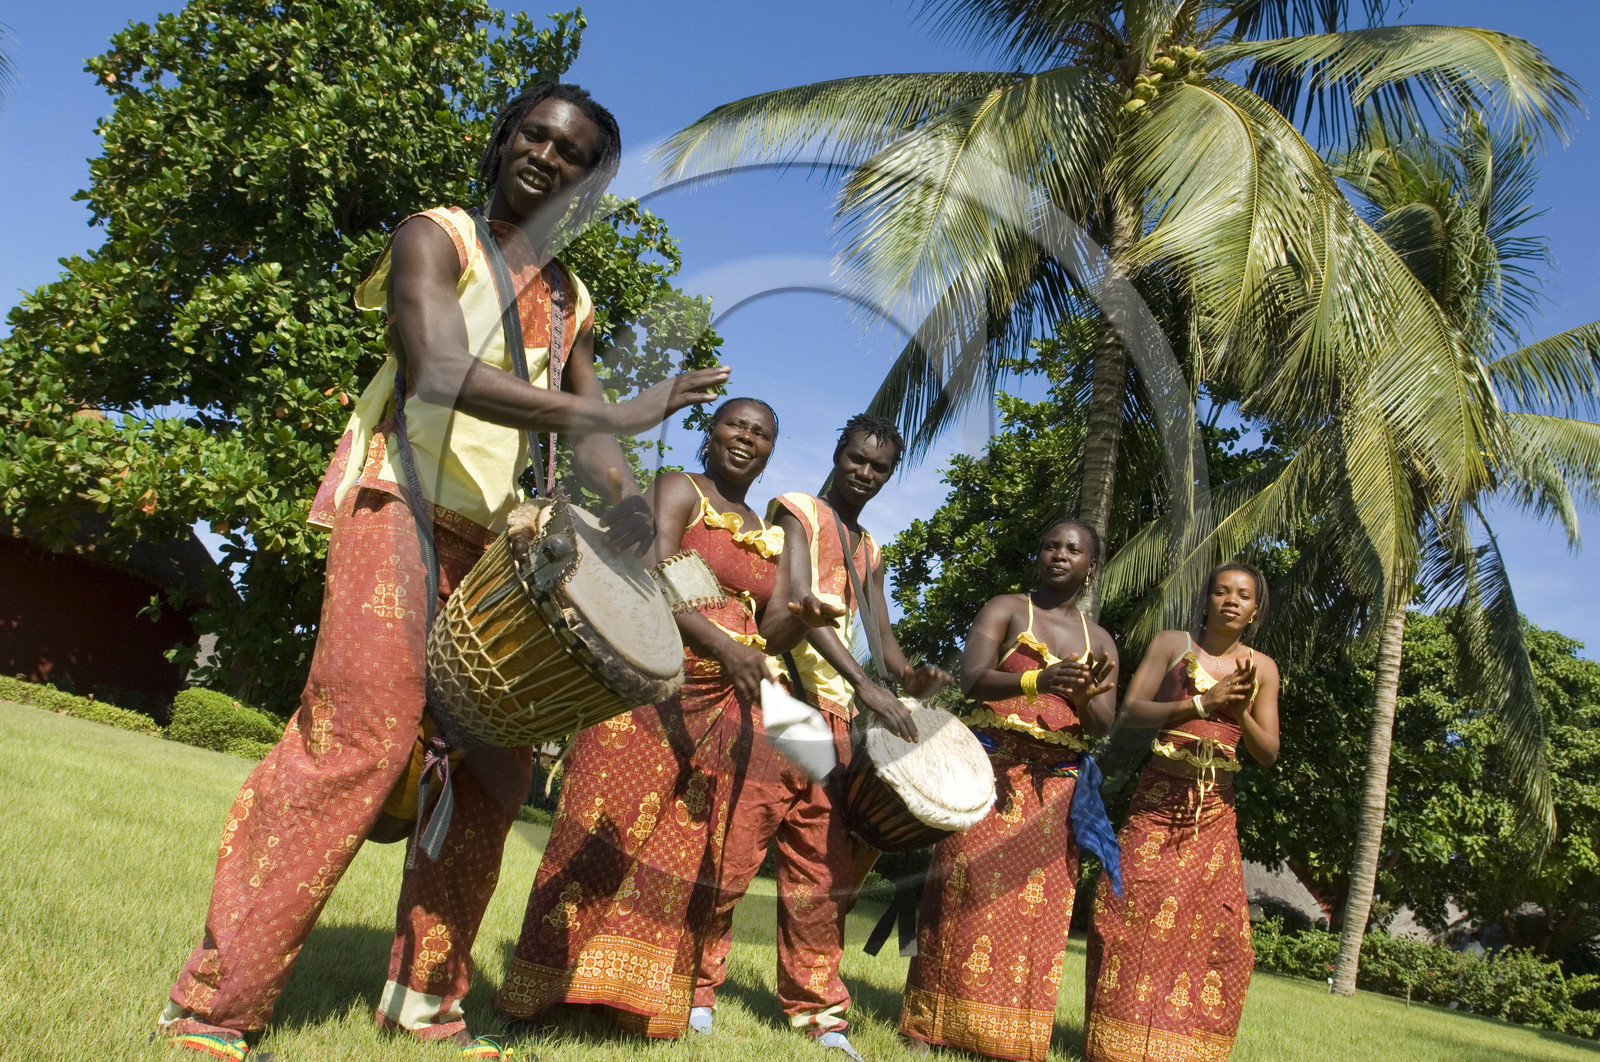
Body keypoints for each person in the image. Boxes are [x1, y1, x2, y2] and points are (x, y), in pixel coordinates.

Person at [158, 81, 728, 1062]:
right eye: (535, 137)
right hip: (400, 506)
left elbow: (588, 428)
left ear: (587, 186)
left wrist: (627, 494)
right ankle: (215, 1003)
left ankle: (425, 1000)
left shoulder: (573, 296)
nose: (546, 159)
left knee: (493, 772)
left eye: (572, 156)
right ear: (505, 142)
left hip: (506, 549)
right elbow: (438, 367)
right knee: (361, 742)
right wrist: (610, 415)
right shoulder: (438, 236)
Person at [492, 397, 784, 1038]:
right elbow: (651, 574)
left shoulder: (767, 531)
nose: (746, 437)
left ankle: (621, 1002)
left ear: (770, 452)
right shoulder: (680, 489)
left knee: (675, 852)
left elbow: (776, 621)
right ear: (711, 432)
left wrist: (801, 622)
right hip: (654, 685)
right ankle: (541, 991)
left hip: (724, 703)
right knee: (602, 830)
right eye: (735, 424)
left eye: (761, 433)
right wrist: (725, 644)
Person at [689, 412, 952, 1061]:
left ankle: (818, 1012)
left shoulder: (869, 548)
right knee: (735, 854)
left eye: (879, 467)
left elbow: (882, 636)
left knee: (821, 869)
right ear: (838, 454)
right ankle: (696, 989)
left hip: (834, 722)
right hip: (781, 700)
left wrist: (909, 677)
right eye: (857, 458)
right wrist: (865, 684)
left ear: (889, 476)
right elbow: (798, 602)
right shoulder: (797, 510)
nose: (865, 472)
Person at [899, 518, 1119, 1062]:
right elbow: (972, 677)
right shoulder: (1007, 608)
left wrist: (1084, 697)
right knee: (961, 891)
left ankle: (1009, 1037)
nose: (1059, 554)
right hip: (992, 771)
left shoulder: (1101, 640)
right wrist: (1035, 680)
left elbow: (1101, 723)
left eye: (1073, 549)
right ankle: (929, 1025)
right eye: (1050, 545)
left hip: (1056, 789)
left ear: (1091, 566)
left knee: (1033, 911)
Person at [1082, 562, 1280, 1062]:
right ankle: (1115, 1045)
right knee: (1124, 907)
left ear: (1255, 610)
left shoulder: (1263, 668)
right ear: (1206, 599)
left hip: (1214, 813)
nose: (1231, 601)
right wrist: (1202, 703)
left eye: (1243, 596)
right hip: (1158, 801)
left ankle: (1183, 1049)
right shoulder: (1173, 644)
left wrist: (1238, 712)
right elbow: (1130, 711)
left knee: (1221, 934)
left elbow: (1268, 752)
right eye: (1221, 591)